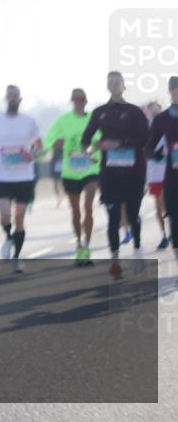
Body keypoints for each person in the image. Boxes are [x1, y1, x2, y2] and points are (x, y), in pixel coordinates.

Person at [81, 71, 149, 280]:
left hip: (134, 172)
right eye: (110, 82)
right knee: (113, 217)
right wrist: (89, 153)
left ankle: (137, 250)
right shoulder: (99, 112)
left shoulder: (134, 111)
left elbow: (144, 138)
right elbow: (86, 138)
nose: (114, 85)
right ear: (107, 86)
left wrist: (119, 144)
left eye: (117, 82)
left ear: (124, 86)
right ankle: (115, 259)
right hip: (109, 174)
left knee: (133, 214)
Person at [0, 85, 42, 274]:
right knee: (4, 215)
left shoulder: (29, 121)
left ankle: (16, 257)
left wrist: (31, 154)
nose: (12, 99)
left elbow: (39, 144)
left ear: (20, 99)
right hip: (1, 175)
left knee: (19, 217)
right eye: (9, 96)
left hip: (24, 176)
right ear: (5, 98)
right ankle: (8, 237)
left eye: (15, 96)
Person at [43, 88, 101, 266]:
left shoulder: (94, 119)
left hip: (91, 169)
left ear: (86, 101)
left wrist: (92, 151)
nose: (78, 102)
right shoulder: (63, 121)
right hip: (71, 172)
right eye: (75, 99)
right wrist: (55, 144)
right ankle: (78, 243)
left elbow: (99, 141)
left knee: (88, 207)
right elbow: (48, 141)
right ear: (72, 101)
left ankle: (87, 246)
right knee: (75, 211)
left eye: (81, 99)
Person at [147, 76, 178, 261]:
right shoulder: (161, 119)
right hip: (172, 177)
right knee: (175, 220)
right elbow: (149, 147)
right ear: (170, 93)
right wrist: (156, 155)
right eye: (174, 91)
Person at [144, 101, 170, 250]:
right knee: (159, 205)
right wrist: (154, 154)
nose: (155, 115)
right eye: (152, 113)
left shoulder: (171, 126)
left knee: (170, 204)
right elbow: (143, 152)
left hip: (171, 173)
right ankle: (164, 235)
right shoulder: (146, 131)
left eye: (157, 112)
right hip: (154, 174)